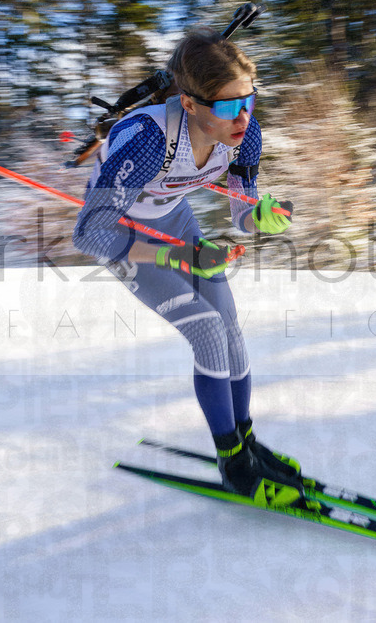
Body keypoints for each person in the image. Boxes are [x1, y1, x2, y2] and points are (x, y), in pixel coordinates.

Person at [73, 28, 304, 507]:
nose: (242, 116)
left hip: (176, 222)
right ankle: (232, 461)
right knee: (206, 329)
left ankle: (245, 442)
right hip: (128, 236)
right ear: (190, 104)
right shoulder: (146, 140)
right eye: (228, 105)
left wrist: (258, 216)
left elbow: (241, 206)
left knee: (229, 325)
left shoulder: (245, 132)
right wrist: (174, 256)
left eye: (249, 100)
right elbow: (90, 234)